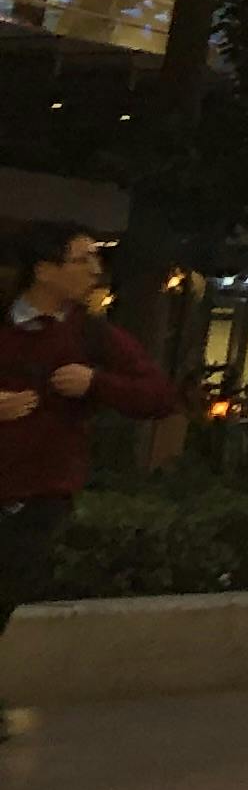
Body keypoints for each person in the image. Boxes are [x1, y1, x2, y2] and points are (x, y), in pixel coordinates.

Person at [0, 227, 177, 731]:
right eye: (82, 259)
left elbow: (158, 395)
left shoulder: (92, 335)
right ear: (45, 269)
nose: (95, 270)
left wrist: (96, 382)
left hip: (40, 493)